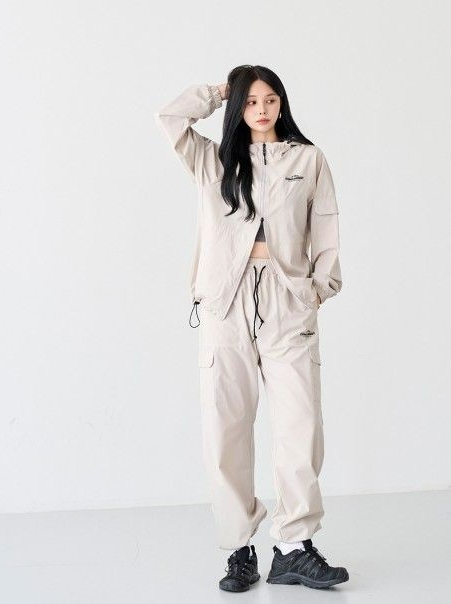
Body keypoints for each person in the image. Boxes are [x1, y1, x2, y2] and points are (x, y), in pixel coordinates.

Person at [154, 64, 349, 592]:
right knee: (227, 426)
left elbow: (326, 226)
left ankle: (292, 547)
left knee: (300, 424)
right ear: (238, 106)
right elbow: (169, 118)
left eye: (270, 99)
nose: (261, 110)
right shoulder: (213, 159)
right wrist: (220, 91)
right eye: (250, 101)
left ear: (282, 103)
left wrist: (317, 290)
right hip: (225, 304)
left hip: (288, 302)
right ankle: (239, 548)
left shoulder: (308, 159)